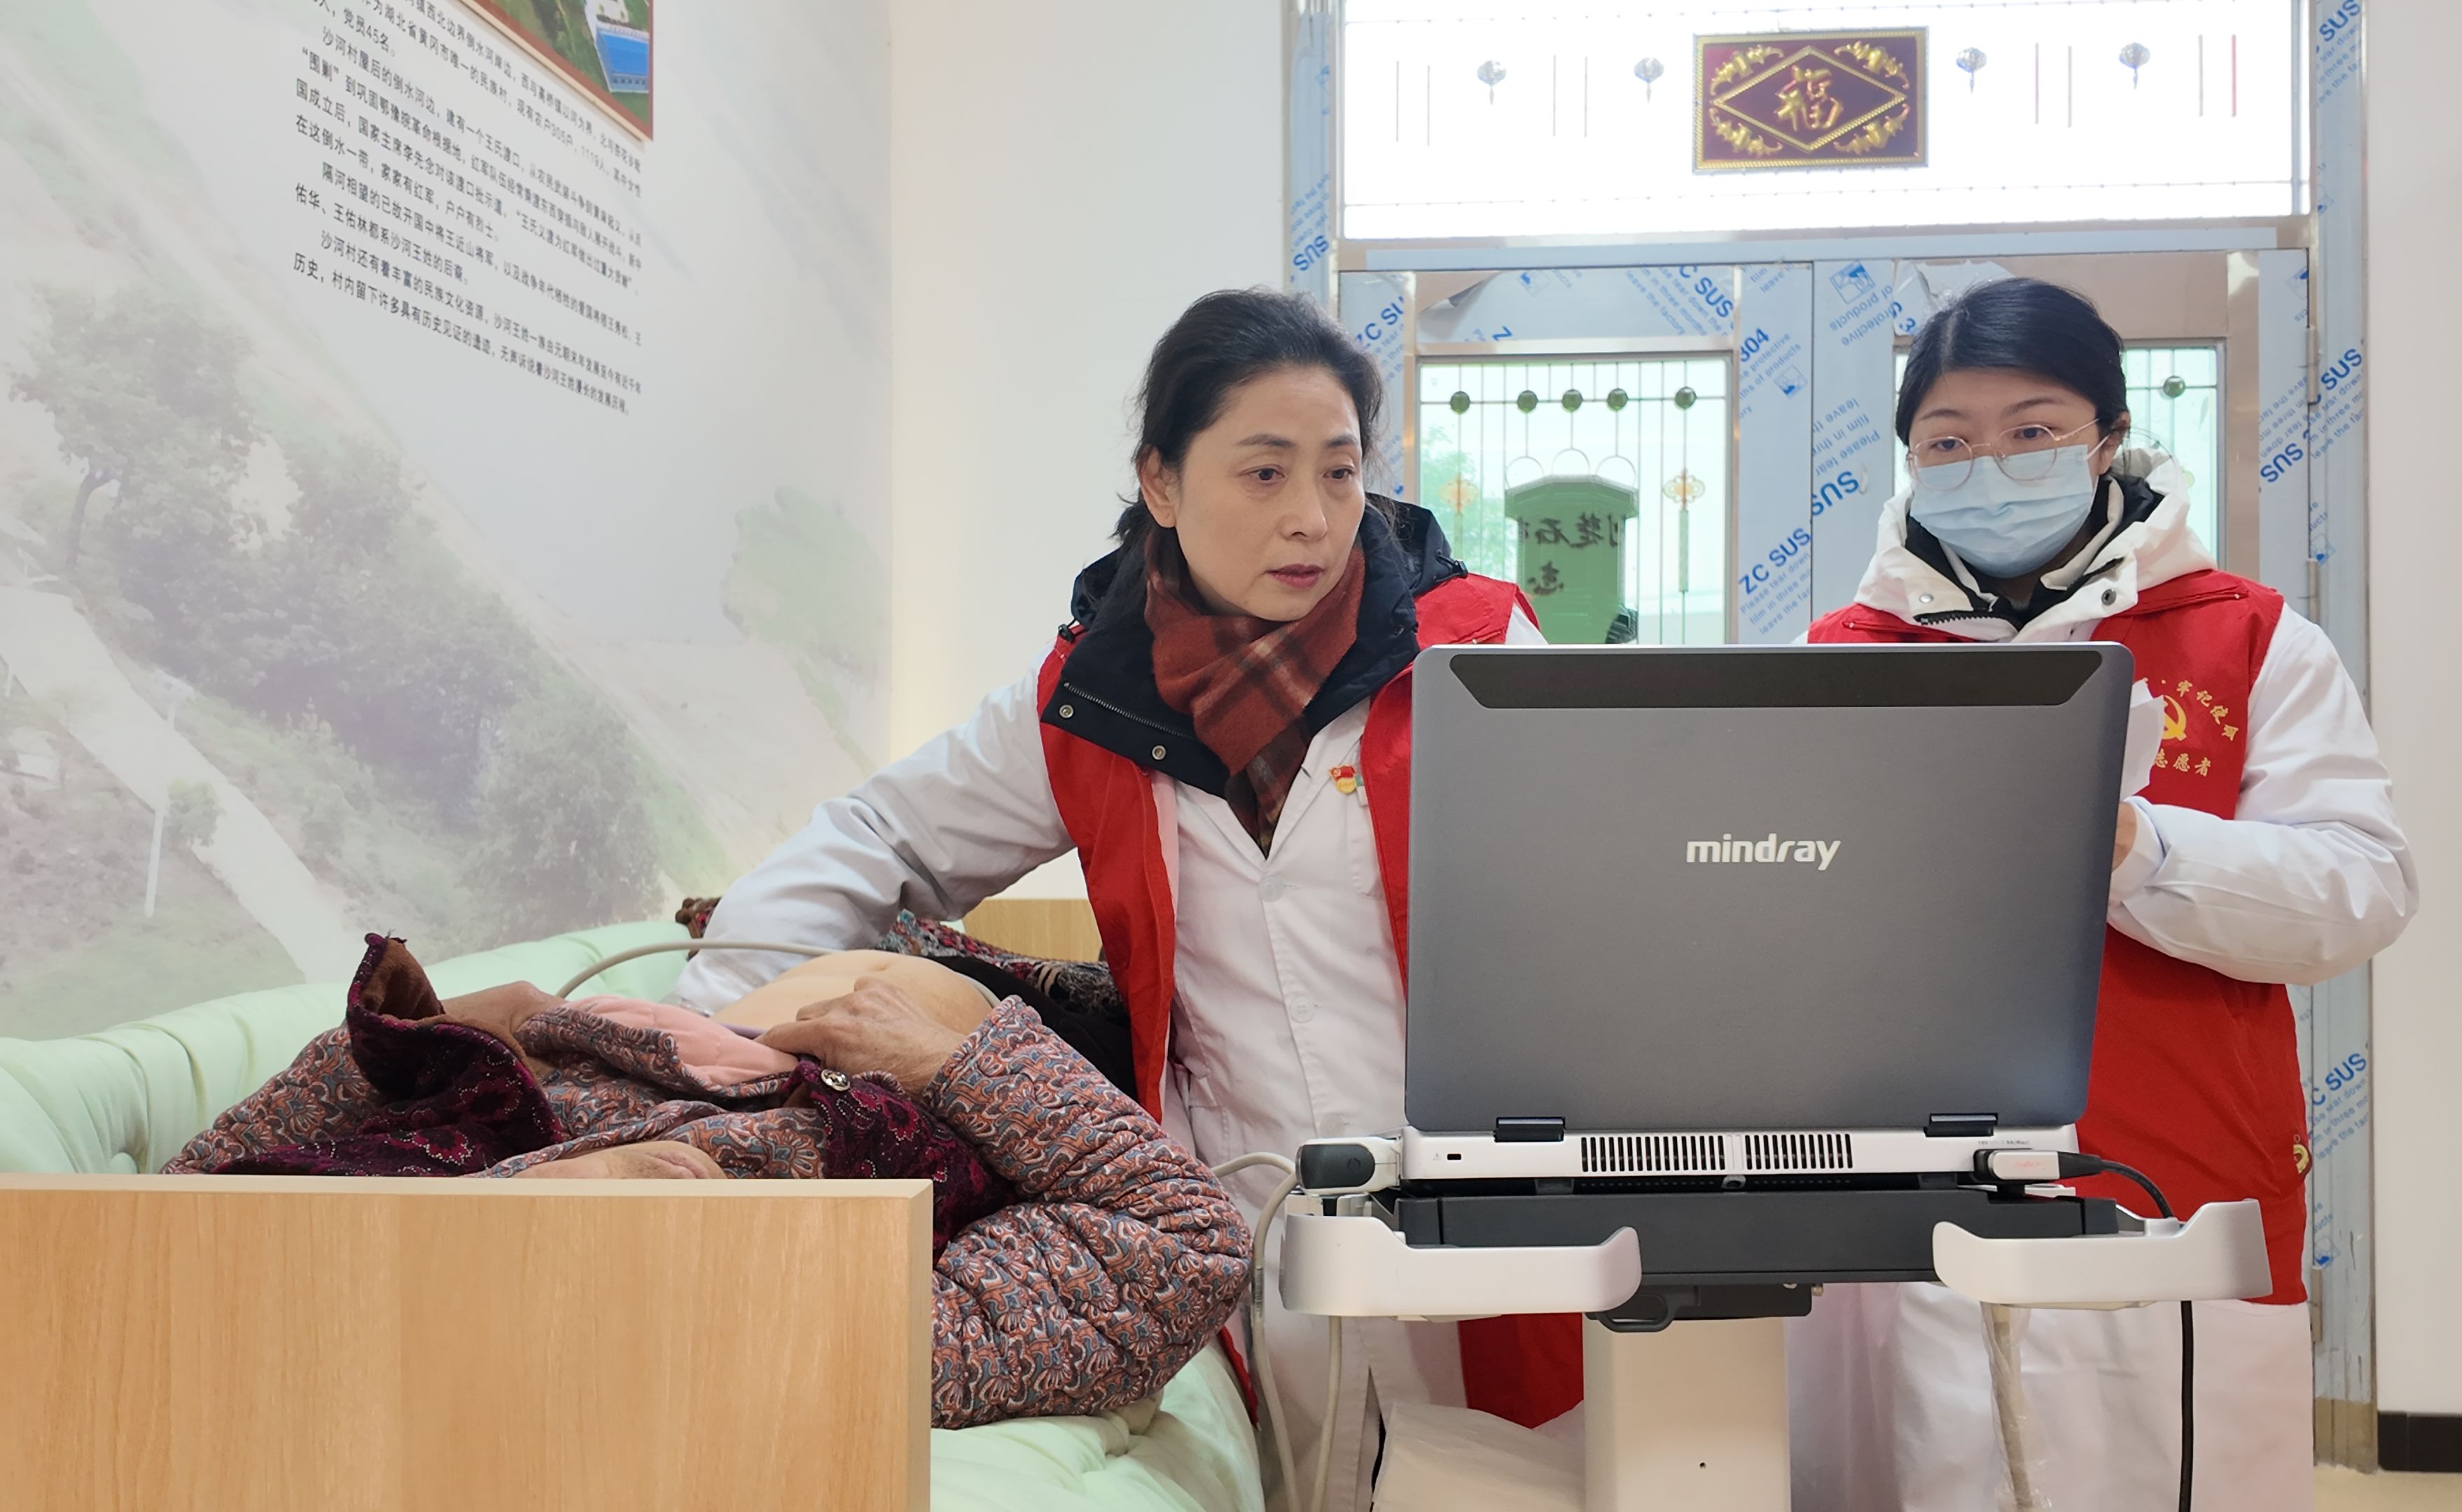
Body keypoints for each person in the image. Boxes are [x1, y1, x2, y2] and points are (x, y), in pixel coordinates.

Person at [670, 288, 1555, 1506]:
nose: (1310, 517)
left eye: (1340, 472)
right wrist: (701, 1038)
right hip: (1248, 1222)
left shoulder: (1474, 653)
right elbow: (877, 835)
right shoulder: (1092, 698)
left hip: (1487, 1207)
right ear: (1163, 482)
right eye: (1263, 472)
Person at [1792, 276, 2416, 1511]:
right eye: (1949, 442)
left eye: (2032, 431)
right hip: (1900, 1175)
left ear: (2108, 438)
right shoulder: (1844, 658)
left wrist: (2129, 847)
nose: (1990, 467)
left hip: (2167, 1171)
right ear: (1911, 462)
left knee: (2161, 1467)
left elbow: (2360, 890)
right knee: (1921, 1460)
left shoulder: (2248, 641)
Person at [169, 931, 1251, 1429]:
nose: (836, 1006)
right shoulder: (581, 1046)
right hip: (267, 1289)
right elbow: (161, 1224)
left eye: (880, 998)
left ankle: (486, 1260)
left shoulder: (912, 1194)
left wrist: (952, 1058)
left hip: (598, 1310)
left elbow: (1185, 1245)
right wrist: (409, 1045)